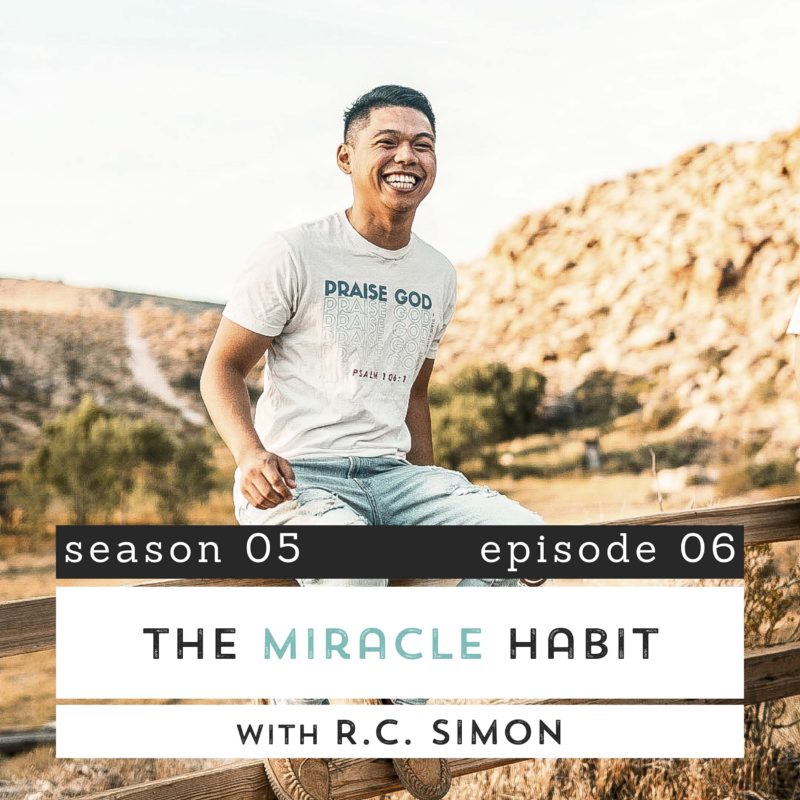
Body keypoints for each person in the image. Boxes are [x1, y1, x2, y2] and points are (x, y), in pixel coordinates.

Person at [200, 85, 546, 800]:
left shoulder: (437, 273)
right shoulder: (294, 252)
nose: (406, 156)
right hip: (298, 481)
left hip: (393, 475)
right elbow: (222, 370)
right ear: (346, 156)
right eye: (386, 141)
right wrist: (249, 455)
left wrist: (427, 498)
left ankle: (403, 702)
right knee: (354, 573)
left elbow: (415, 395)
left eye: (422, 144)